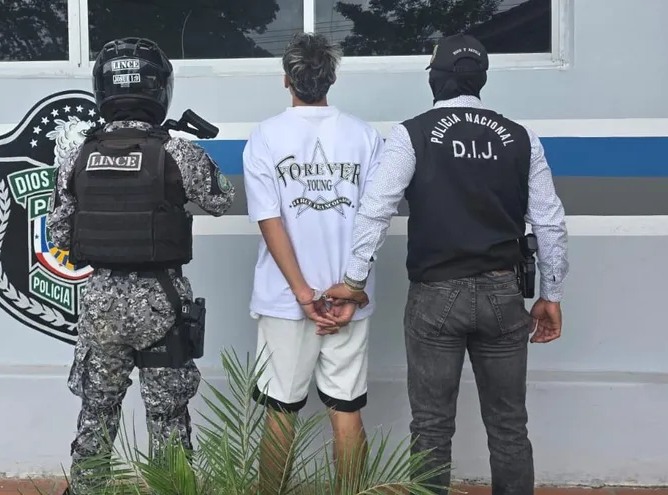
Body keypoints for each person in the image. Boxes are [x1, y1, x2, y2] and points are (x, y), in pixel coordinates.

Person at [324, 33, 569, 495]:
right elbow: (550, 222)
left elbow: (376, 209)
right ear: (481, 80)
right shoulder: (521, 137)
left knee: (432, 429)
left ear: (435, 78)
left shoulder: (411, 133)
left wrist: (354, 281)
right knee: (509, 427)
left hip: (435, 298)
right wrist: (551, 295)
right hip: (503, 294)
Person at [46, 37, 236, 495]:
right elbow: (221, 201)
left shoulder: (77, 154)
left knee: (97, 413)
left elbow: (57, 235)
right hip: (162, 307)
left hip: (100, 307)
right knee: (168, 417)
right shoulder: (177, 151)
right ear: (159, 88)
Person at [242, 32, 384, 492]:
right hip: (350, 298)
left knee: (280, 410)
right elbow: (375, 219)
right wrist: (351, 288)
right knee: (346, 408)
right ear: (333, 78)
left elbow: (270, 222)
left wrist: (303, 293)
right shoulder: (365, 137)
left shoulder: (264, 136)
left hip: (286, 300)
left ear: (287, 79)